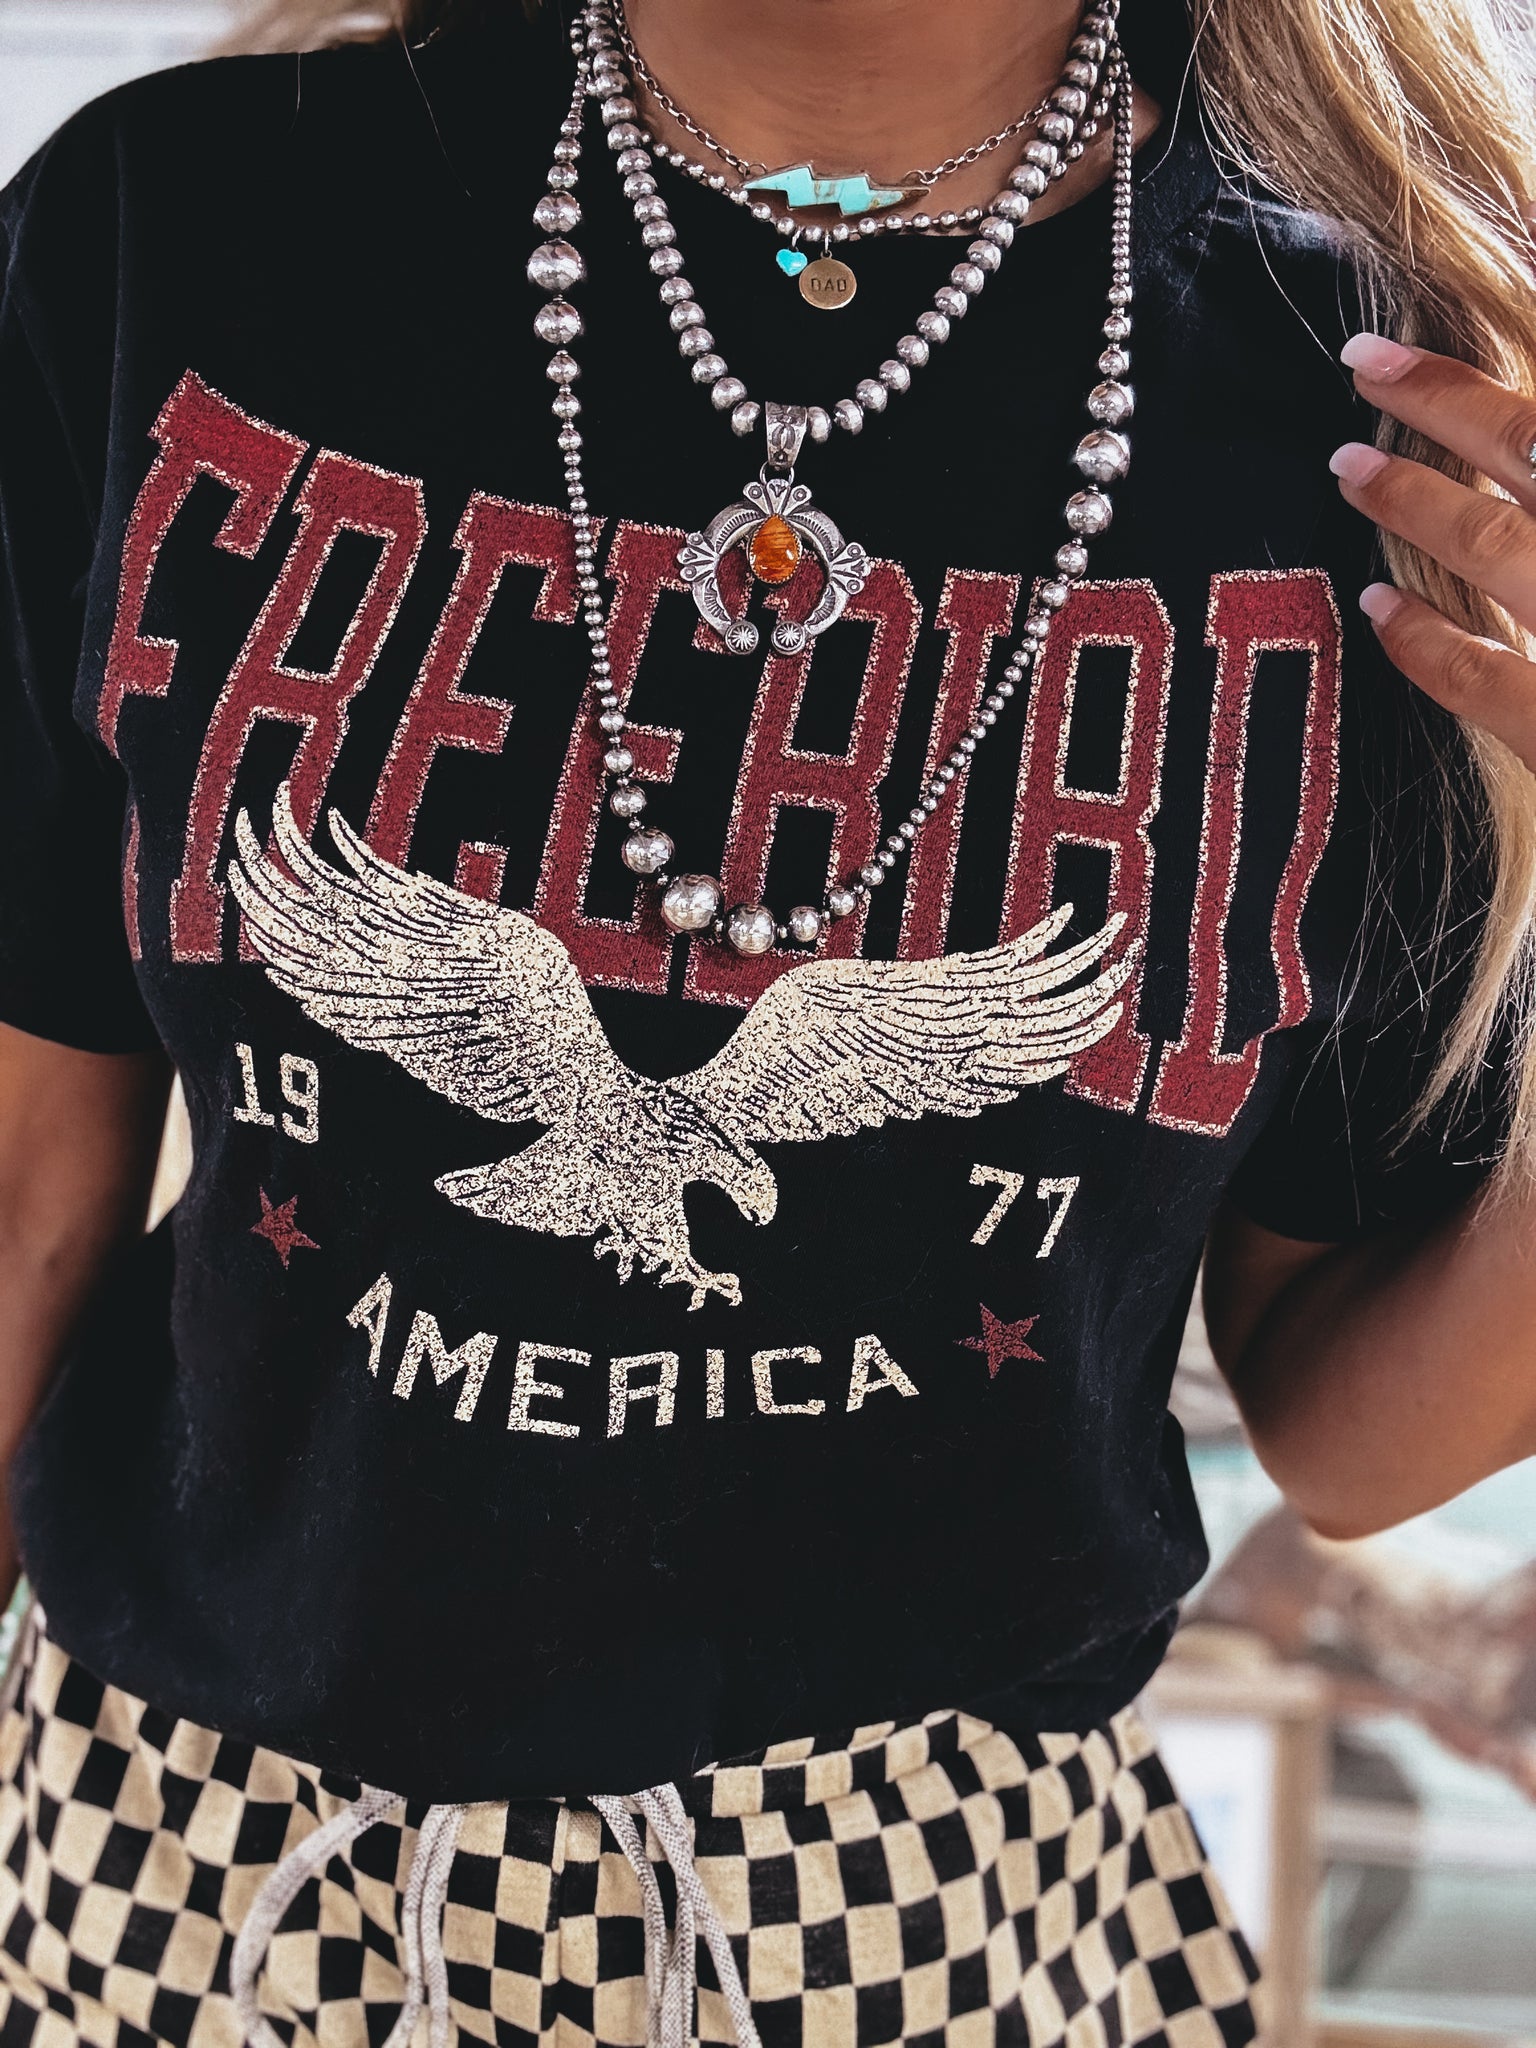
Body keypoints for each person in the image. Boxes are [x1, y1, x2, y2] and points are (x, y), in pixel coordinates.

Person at [1, 0, 1534, 2040]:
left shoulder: (1394, 410)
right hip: (176, 1877)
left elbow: (1347, 1429)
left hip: (914, 1926)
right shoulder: (181, 226)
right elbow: (24, 1189)